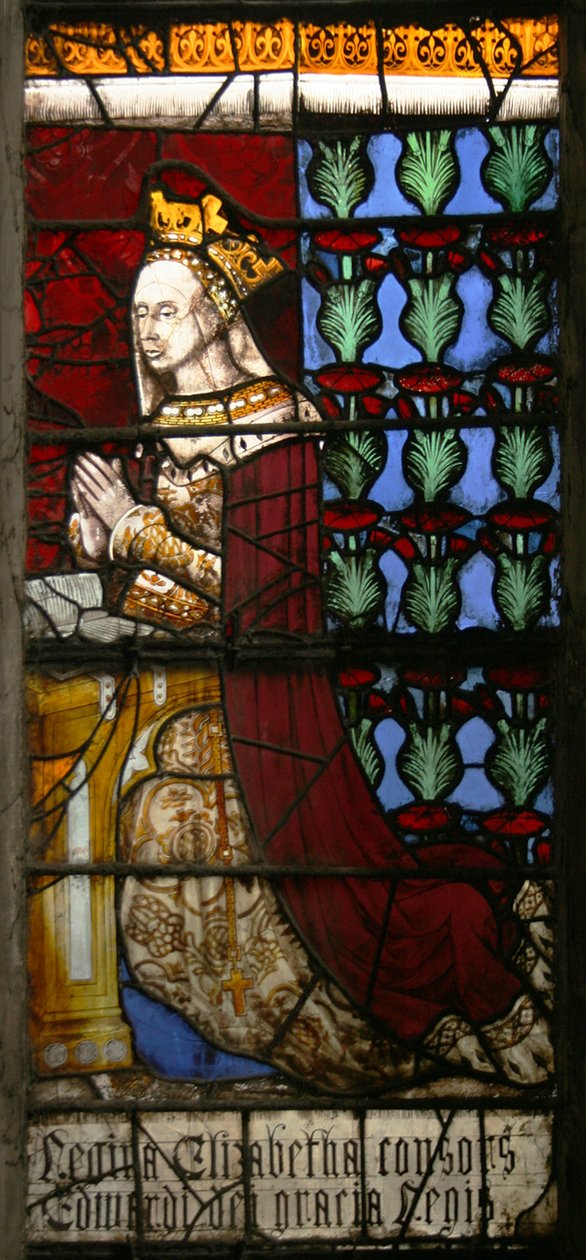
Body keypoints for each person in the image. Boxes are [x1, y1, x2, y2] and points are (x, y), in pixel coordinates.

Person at [69, 182, 553, 1091]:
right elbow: (182, 592)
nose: (147, 331)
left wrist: (137, 535)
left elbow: (263, 602)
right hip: (185, 691)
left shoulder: (275, 429)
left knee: (225, 849)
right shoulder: (160, 430)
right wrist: (104, 549)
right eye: (138, 314)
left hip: (269, 717)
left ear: (216, 315)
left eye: (165, 310)